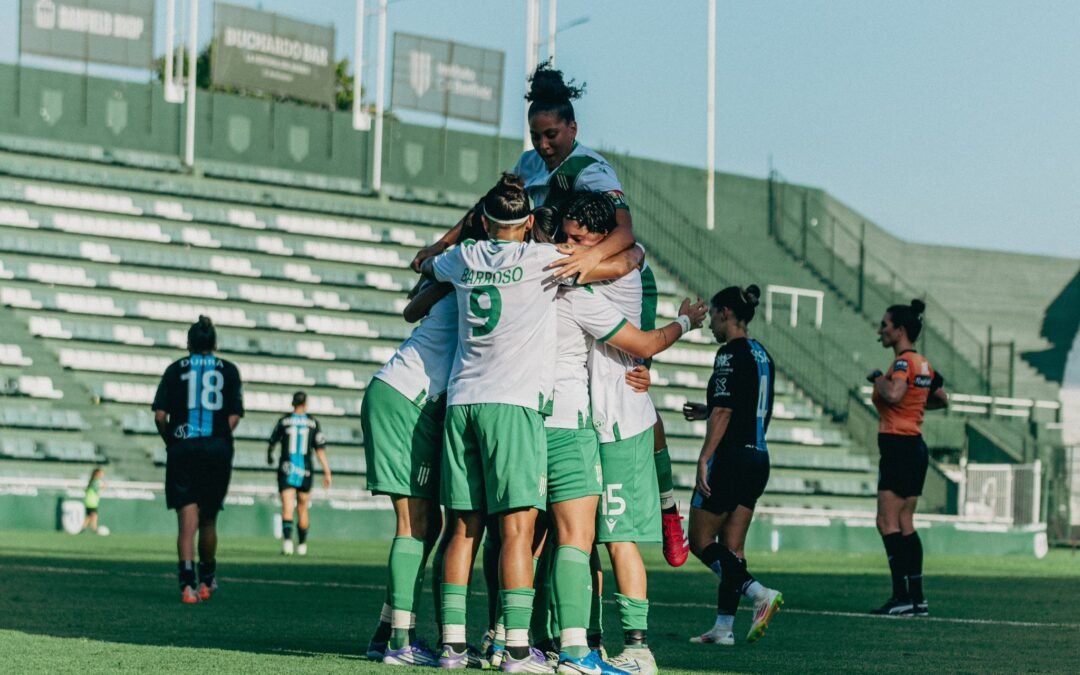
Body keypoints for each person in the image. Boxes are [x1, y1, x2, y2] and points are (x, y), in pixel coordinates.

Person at [541, 192, 707, 673]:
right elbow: (627, 253)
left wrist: (682, 320)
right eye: (566, 237)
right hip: (598, 418)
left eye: (578, 238)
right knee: (585, 538)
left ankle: (638, 647)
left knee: (618, 539)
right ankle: (587, 638)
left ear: (599, 238)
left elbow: (622, 264)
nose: (569, 245)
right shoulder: (613, 263)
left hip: (620, 423)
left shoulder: (611, 271)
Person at [420, 173, 564, 673]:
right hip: (514, 403)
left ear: (482, 220)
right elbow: (611, 261)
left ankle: (452, 648)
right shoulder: (543, 260)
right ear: (527, 223)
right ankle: (518, 650)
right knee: (517, 531)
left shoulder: (464, 257)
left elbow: (424, 260)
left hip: (464, 402)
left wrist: (465, 229)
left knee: (462, 529)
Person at [360, 274, 457, 667]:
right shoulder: (477, 277)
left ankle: (386, 632)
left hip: (404, 397)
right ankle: (401, 641)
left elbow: (412, 304)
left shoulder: (460, 272)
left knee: (427, 524)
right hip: (407, 400)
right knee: (414, 523)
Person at [684, 285, 783, 646]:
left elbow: (727, 410)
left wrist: (706, 455)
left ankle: (758, 593)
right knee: (733, 547)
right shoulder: (762, 355)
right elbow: (745, 406)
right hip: (758, 457)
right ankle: (724, 628)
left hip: (730, 457)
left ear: (726, 313)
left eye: (712, 315)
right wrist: (708, 410)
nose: (710, 323)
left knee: (699, 540)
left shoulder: (728, 354)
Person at [152, 315, 243, 604]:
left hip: (182, 447)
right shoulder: (229, 370)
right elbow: (233, 417)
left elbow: (159, 415)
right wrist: (214, 438)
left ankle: (187, 586)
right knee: (209, 520)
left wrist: (173, 442)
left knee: (186, 522)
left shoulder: (173, 369)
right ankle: (207, 581)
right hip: (216, 448)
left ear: (188, 342)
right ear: (214, 343)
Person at [868, 299, 948, 617]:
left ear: (899, 330)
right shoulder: (925, 365)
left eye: (885, 325)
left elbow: (893, 394)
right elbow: (940, 398)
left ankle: (901, 596)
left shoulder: (902, 364)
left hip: (898, 446)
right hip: (915, 446)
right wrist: (915, 403)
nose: (880, 331)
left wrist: (876, 378)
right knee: (904, 522)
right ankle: (917, 598)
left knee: (886, 521)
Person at [267, 391, 331, 557]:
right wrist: (327, 471)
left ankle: (288, 543)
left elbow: (272, 442)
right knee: (303, 508)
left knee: (287, 505)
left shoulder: (283, 421)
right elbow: (320, 449)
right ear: (305, 404)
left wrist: (269, 455)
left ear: (292, 403)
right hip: (306, 470)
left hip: (287, 467)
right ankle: (302, 545)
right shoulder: (313, 422)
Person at [80, 467, 106, 535]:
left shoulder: (92, 481)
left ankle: (83, 528)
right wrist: (103, 488)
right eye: (101, 473)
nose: (103, 474)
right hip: (92, 501)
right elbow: (97, 491)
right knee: (94, 515)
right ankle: (94, 529)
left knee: (89, 516)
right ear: (97, 474)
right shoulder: (96, 481)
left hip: (90, 501)